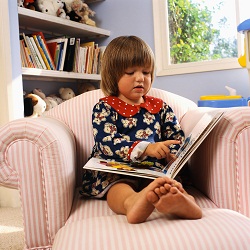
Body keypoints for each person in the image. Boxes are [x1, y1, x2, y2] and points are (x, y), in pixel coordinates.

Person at [80, 36, 202, 223]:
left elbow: (176, 137)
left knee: (162, 184)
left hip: (153, 169)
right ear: (113, 75)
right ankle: (132, 202)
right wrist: (145, 147)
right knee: (118, 187)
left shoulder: (161, 107)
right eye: (130, 72)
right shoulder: (104, 107)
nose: (140, 78)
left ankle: (183, 201)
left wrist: (172, 153)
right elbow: (106, 142)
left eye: (146, 72)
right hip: (116, 170)